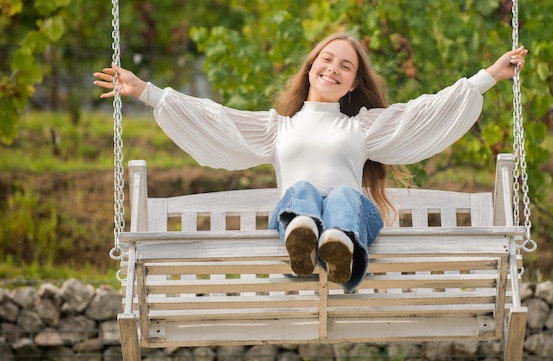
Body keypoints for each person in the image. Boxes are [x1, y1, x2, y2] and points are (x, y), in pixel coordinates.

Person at [94, 32, 527, 292]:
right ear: (310, 68)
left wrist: (489, 75)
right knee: (298, 193)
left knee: (342, 194)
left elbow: (424, 111)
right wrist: (146, 90)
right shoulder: (276, 128)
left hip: (355, 223)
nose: (333, 69)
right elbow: (215, 119)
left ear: (354, 82)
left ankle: (338, 245)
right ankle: (306, 239)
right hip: (294, 224)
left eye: (345, 67)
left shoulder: (362, 128)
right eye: (326, 60)